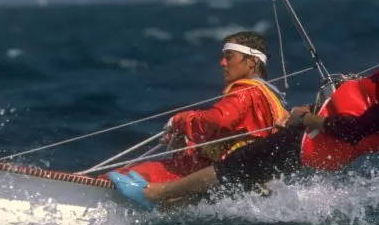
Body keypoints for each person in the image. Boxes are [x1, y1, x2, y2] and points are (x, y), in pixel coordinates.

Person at [111, 12, 379, 210]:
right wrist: (315, 111)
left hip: (314, 143)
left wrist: (306, 119)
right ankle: (177, 204)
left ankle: (155, 195)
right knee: (244, 173)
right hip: (320, 145)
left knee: (234, 166)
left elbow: (353, 130)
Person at [103, 31, 289, 189]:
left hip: (215, 175)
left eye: (229, 57)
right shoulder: (272, 98)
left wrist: (181, 120)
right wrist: (187, 140)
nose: (222, 63)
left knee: (133, 174)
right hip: (240, 177)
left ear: (252, 62)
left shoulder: (245, 91)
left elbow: (219, 120)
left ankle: (98, 188)